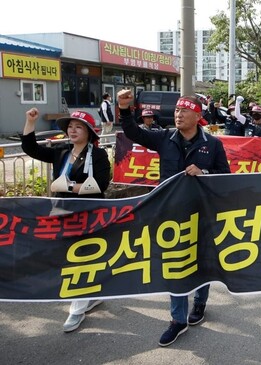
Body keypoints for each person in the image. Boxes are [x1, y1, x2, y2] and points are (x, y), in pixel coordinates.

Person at [116, 89, 231, 347]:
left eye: (184, 111)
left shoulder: (213, 144)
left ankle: (200, 304)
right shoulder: (164, 137)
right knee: (175, 264)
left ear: (198, 115)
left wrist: (206, 171)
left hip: (202, 213)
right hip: (170, 214)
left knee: (202, 262)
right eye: (177, 110)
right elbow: (134, 132)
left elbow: (225, 175)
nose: (178, 115)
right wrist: (125, 109)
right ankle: (177, 320)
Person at [21, 108, 111, 333]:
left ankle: (77, 309)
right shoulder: (60, 150)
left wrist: (68, 186)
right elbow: (30, 148)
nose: (72, 130)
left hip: (88, 214)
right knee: (66, 258)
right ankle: (91, 296)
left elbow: (99, 185)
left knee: (79, 259)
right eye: (70, 126)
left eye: (78, 127)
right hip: (60, 212)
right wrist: (30, 122)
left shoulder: (98, 155)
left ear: (89, 132)